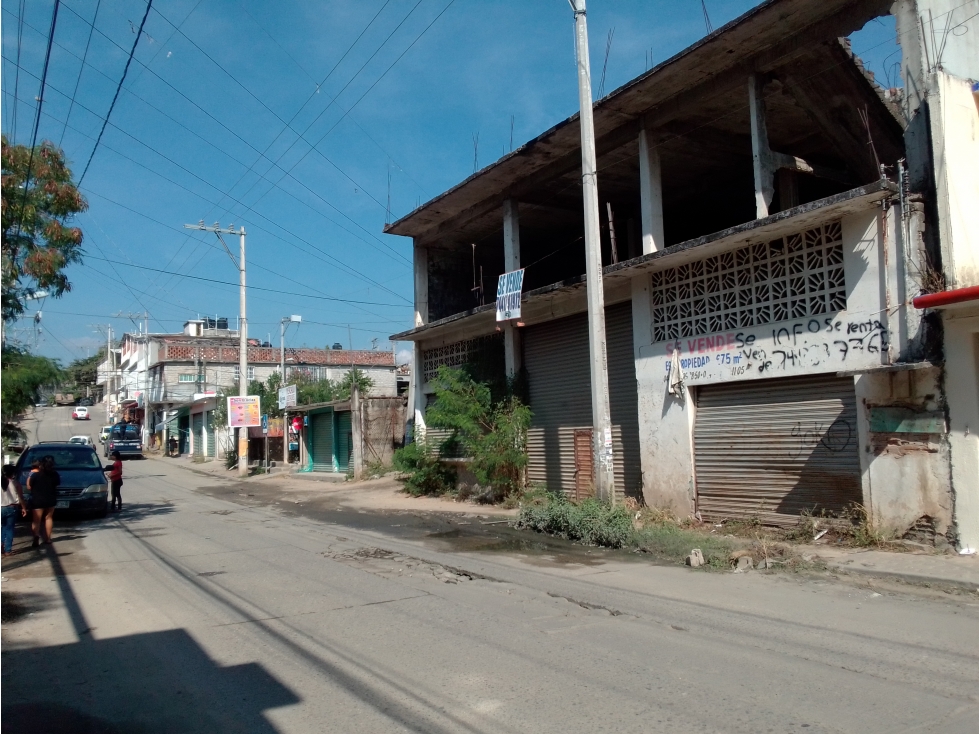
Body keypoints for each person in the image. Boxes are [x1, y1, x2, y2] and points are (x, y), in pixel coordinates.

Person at [28, 455, 60, 547]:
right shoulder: (55, 475)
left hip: (37, 500)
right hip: (50, 499)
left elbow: (29, 487)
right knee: (49, 518)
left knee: (36, 521)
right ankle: (48, 539)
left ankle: (36, 536)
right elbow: (57, 485)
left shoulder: (35, 475)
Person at [2, 464, 28, 556]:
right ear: (13, 473)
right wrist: (24, 508)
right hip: (12, 508)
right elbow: (21, 497)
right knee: (9, 529)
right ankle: (7, 550)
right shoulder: (16, 483)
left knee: (3, 527)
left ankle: (1, 545)